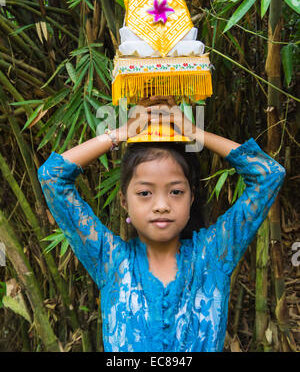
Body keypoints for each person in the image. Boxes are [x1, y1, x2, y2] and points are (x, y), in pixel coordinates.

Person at [37, 95, 286, 352]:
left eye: (175, 192)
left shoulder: (212, 255)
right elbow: (52, 176)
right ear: (124, 201)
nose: (161, 205)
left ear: (191, 197)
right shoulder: (111, 260)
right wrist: (122, 133)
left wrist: (194, 133)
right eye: (145, 193)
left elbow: (269, 174)